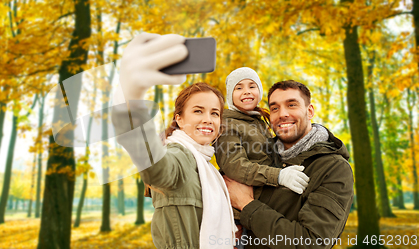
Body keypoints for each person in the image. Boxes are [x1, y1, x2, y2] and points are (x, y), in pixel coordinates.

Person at [112, 33, 236, 249]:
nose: (208, 119)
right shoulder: (180, 156)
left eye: (215, 113)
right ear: (179, 119)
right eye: (198, 111)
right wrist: (130, 97)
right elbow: (157, 168)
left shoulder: (207, 166)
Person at [223, 80, 354, 249]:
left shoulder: (333, 168)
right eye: (275, 108)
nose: (282, 114)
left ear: (310, 111)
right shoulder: (259, 154)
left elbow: (310, 243)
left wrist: (246, 204)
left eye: (292, 105)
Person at [215, 68, 310, 248]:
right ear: (230, 95)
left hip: (262, 206)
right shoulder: (228, 125)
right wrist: (278, 176)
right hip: (239, 217)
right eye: (239, 88)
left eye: (252, 86)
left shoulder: (258, 121)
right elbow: (235, 166)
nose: (247, 92)